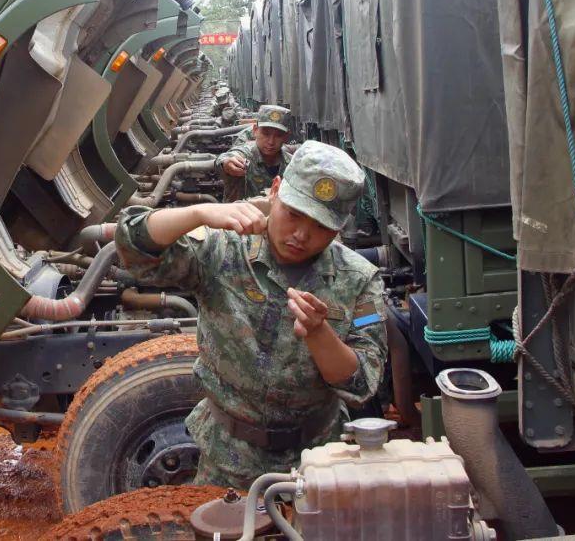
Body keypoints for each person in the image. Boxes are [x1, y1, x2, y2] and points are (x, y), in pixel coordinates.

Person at [114, 141, 386, 489]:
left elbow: (362, 383)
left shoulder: (359, 280)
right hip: (225, 457)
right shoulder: (224, 248)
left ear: (339, 227)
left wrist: (319, 334)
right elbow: (134, 245)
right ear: (275, 190)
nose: (301, 235)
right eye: (294, 214)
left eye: (320, 226)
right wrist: (197, 215)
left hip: (318, 461)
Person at [217, 104, 292, 201]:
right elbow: (231, 156)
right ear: (255, 130)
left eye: (278, 136)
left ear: (286, 137)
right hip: (240, 211)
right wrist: (226, 163)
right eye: (266, 134)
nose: (271, 141)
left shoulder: (291, 165)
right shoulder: (245, 155)